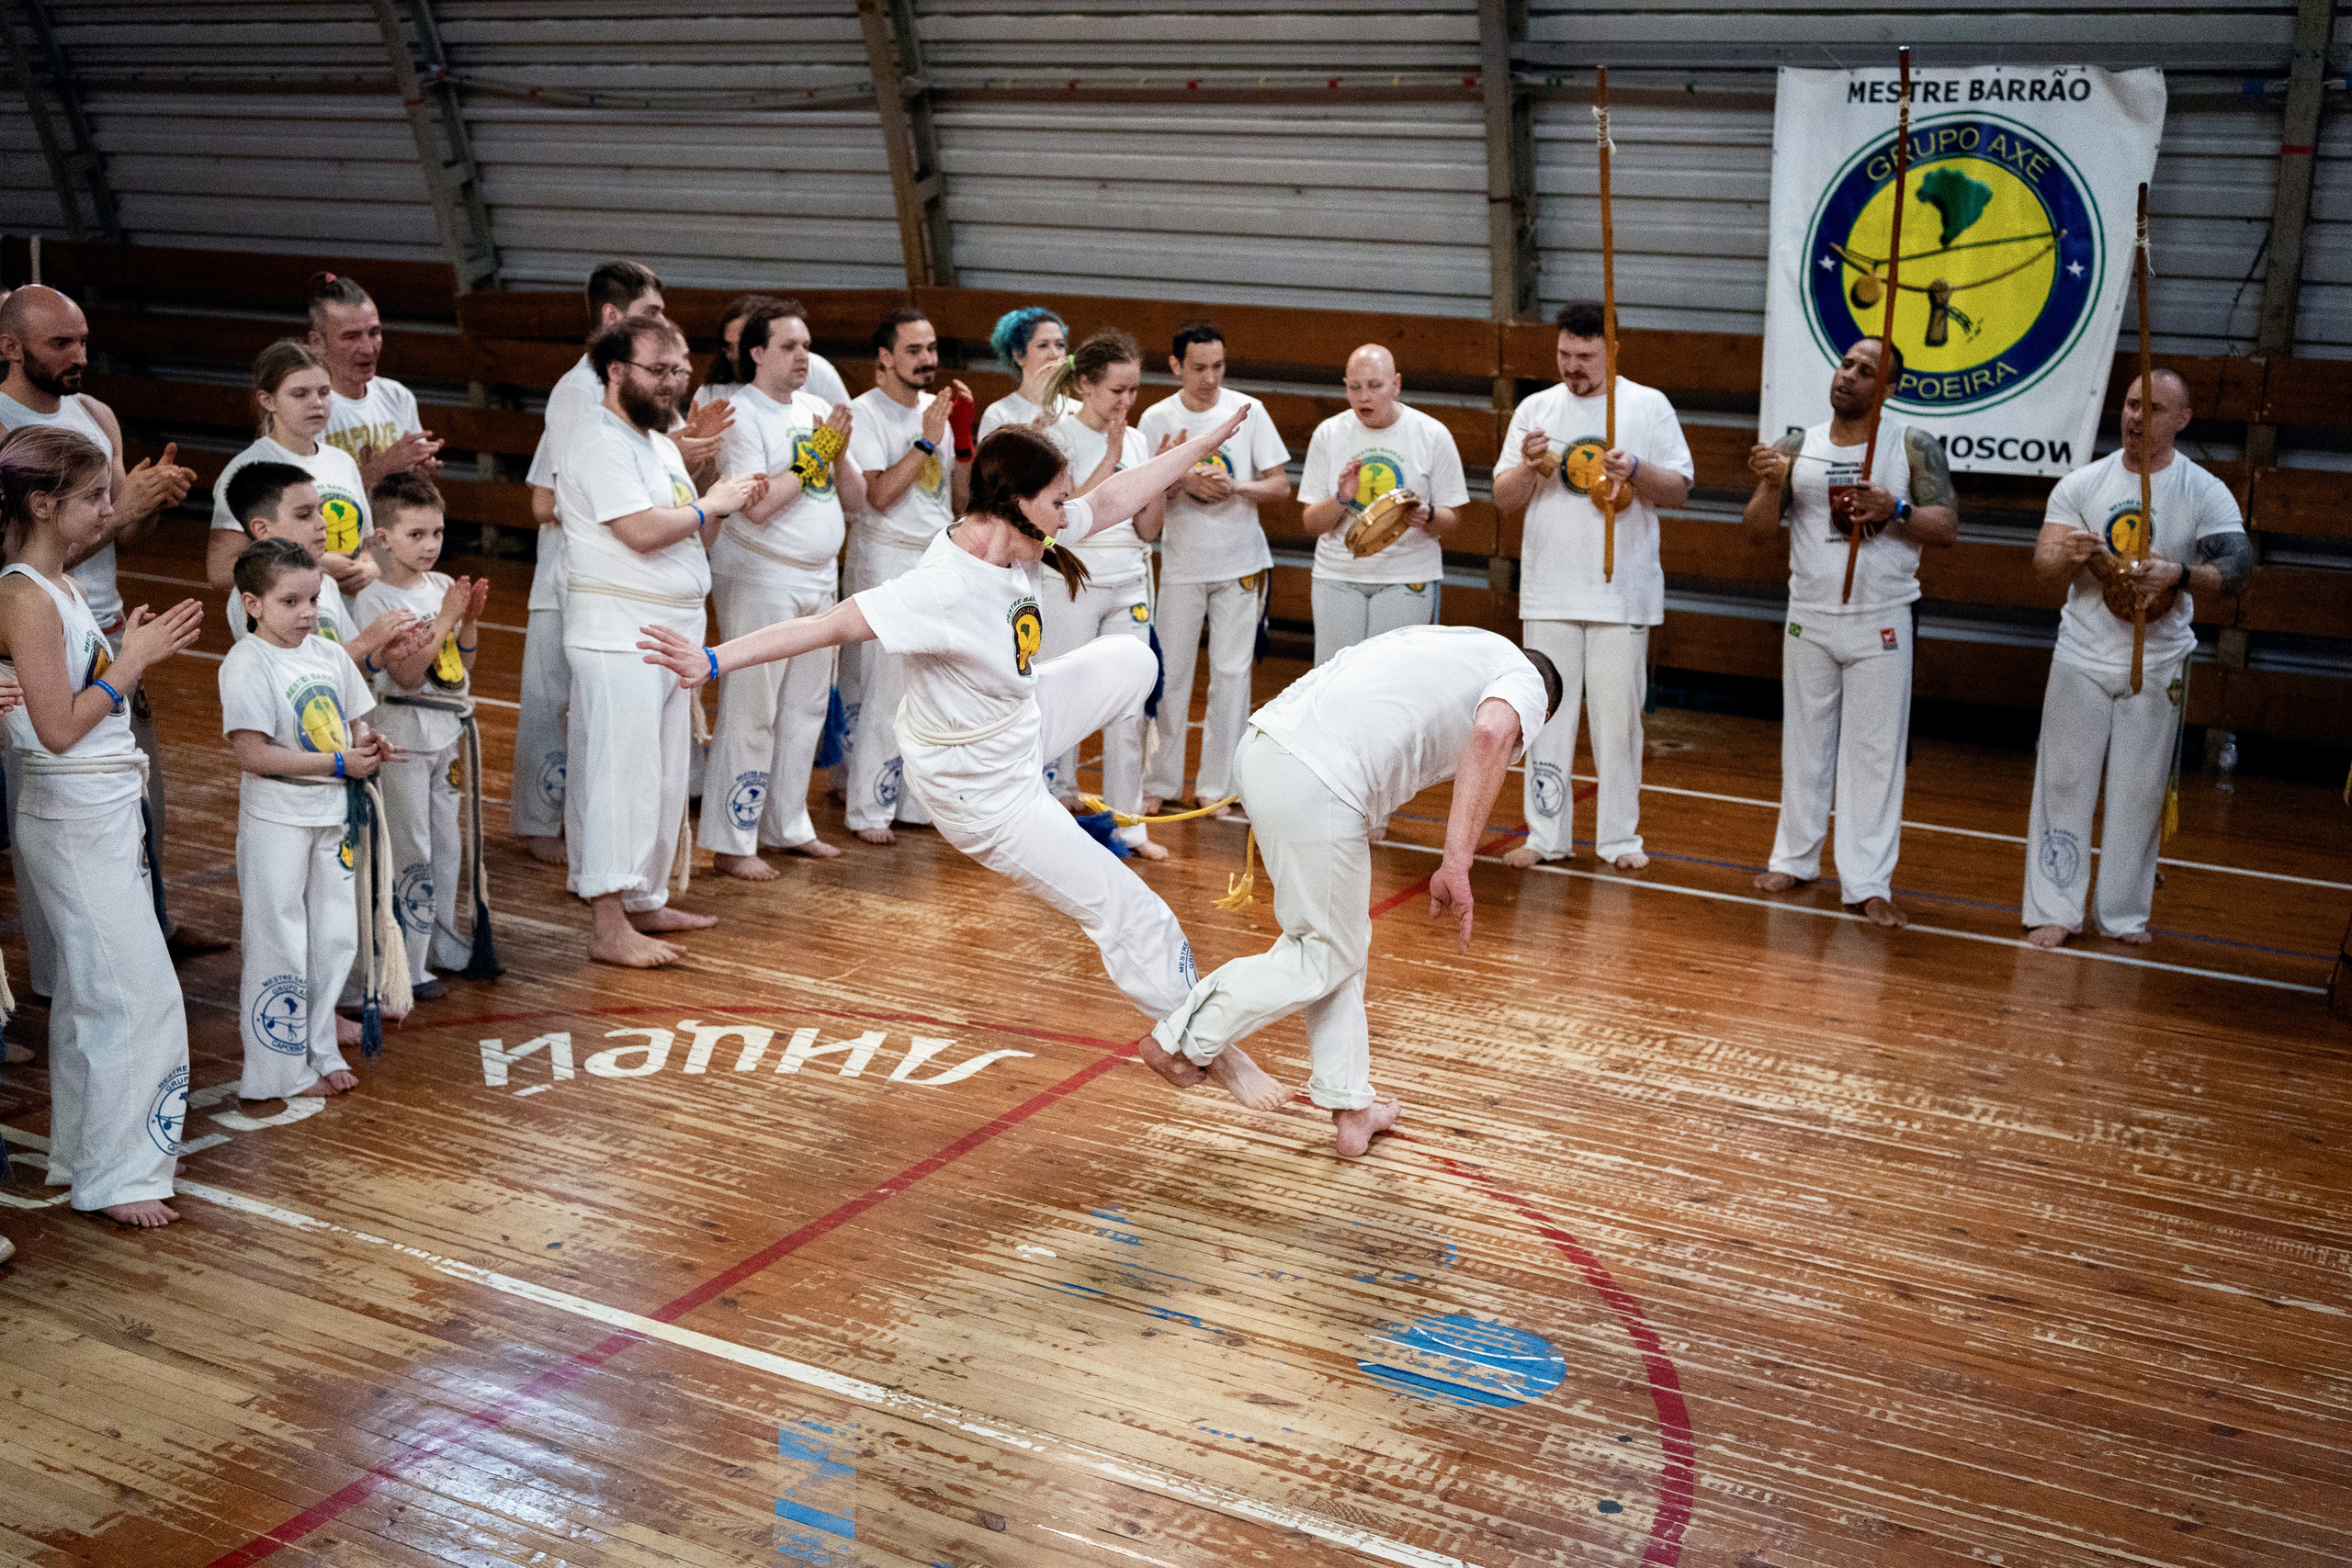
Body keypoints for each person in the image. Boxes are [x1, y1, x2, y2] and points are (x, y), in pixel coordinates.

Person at [640, 419, 1296, 1098]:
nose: (1069, 511)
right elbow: (823, 625)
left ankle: (1058, 774)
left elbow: (1113, 500)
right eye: (1057, 498)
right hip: (980, 790)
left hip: (1018, 724)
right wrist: (712, 659)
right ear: (1014, 501)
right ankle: (1208, 1049)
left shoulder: (1018, 535)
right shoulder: (940, 588)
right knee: (1134, 913)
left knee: (1133, 657)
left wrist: (1192, 447)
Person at [1140, 626, 1557, 1157]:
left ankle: (1351, 1105)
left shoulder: (1452, 643)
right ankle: (1184, 1040)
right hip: (1318, 778)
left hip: (1268, 749)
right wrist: (1457, 861)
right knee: (1324, 950)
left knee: (1337, 942)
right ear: (1541, 711)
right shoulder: (1525, 678)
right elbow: (1491, 735)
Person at [0, 425, 205, 1225]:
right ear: (44, 504)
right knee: (138, 996)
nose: (108, 508)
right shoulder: (24, 593)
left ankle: (85, 1155)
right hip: (72, 808)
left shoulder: (57, 585)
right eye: (93, 496)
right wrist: (132, 662)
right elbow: (56, 728)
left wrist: (117, 650)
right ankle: (120, 1175)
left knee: (94, 993)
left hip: (97, 808)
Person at [0, 285, 219, 972]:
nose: (78, 356)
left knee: (136, 790)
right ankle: (62, 969)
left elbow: (126, 530)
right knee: (55, 796)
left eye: (84, 340)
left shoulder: (96, 413)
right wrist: (121, 514)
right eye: (60, 343)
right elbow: (20, 560)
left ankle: (144, 925)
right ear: (11, 347)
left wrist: (150, 498)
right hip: (35, 630)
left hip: (105, 622)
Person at [558, 316, 764, 967]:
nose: (674, 382)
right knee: (622, 777)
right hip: (620, 630)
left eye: (680, 368)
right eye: (658, 369)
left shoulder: (661, 445)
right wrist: (714, 503)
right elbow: (643, 531)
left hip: (669, 627)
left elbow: (690, 535)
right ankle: (607, 921)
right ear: (616, 370)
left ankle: (645, 896)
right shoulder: (597, 438)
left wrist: (714, 500)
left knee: (666, 774)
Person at [2024, 370, 2251, 950]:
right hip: (2082, 652)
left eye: (2153, 408)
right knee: (2065, 781)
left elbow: (2238, 570)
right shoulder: (2083, 483)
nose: (2134, 416)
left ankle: (2123, 913)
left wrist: (2181, 573)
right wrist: (2068, 554)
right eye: (2129, 404)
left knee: (2139, 791)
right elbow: (2044, 566)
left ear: (2181, 421)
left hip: (2159, 659)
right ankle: (2055, 908)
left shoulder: (2203, 490)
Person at [1743, 338, 1958, 928]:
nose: (1851, 376)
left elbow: (1947, 528)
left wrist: (1899, 510)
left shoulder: (1910, 444)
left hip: (1881, 616)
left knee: (1874, 754)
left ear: (1888, 389)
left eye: (1868, 371)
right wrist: (1768, 484)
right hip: (1809, 613)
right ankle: (1795, 858)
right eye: (1846, 364)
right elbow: (1757, 530)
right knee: (1804, 746)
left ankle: (1866, 881)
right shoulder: (1797, 446)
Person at [512, 260, 712, 865]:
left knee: (618, 734)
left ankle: (610, 858)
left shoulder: (648, 399)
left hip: (640, 583)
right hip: (587, 574)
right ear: (612, 318)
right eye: (650, 315)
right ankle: (547, 825)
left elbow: (670, 495)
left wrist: (692, 458)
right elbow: (549, 498)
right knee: (561, 708)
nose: (664, 327)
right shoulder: (583, 393)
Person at [1490, 300, 1693, 873]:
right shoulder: (1537, 408)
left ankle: (1620, 840)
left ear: (1612, 350)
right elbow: (1503, 499)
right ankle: (1546, 834)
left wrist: (1638, 473)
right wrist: (1529, 467)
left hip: (1619, 591)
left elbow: (1679, 489)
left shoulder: (1647, 406)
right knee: (1545, 716)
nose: (1572, 366)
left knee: (1617, 721)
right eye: (1564, 354)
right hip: (1550, 589)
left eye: (1584, 355)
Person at [220, 536, 396, 1102]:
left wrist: (369, 746)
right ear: (253, 604)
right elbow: (252, 754)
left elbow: (355, 723)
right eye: (290, 602)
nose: (307, 613)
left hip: (333, 812)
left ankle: (320, 1046)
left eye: (314, 600)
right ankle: (275, 1070)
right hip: (278, 818)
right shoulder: (246, 662)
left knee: (336, 935)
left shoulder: (326, 652)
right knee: (278, 937)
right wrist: (339, 762)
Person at [703, 299, 864, 877]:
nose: (804, 356)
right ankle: (732, 842)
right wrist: (814, 458)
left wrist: (837, 456)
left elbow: (856, 499)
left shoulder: (818, 407)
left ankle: (787, 825)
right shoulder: (739, 414)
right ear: (757, 353)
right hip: (761, 575)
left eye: (806, 345)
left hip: (820, 576)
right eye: (790, 346)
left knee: (806, 708)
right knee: (753, 709)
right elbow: (760, 507)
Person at [1136, 318, 1291, 818]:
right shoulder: (1157, 419)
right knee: (1170, 674)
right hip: (1182, 564)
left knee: (1231, 675)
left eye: (1218, 366)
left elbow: (1279, 486)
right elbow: (1138, 493)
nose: (1210, 377)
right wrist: (1180, 481)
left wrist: (1232, 485)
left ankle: (1218, 784)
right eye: (1199, 367)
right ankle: (1159, 779)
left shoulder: (1249, 411)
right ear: (1176, 366)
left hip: (1241, 561)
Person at [840, 306, 972, 845]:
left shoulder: (935, 411)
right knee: (884, 689)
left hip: (935, 556)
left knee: (931, 687)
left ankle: (918, 802)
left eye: (932, 349)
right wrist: (925, 440)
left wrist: (961, 440)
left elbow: (959, 501)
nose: (927, 360)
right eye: (914, 350)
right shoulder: (863, 412)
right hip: (885, 558)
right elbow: (878, 495)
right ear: (885, 357)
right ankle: (867, 808)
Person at [354, 474, 488, 995]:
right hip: (401, 730)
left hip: (443, 730)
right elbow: (407, 676)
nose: (431, 544)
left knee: (446, 842)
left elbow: (459, 666)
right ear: (382, 538)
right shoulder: (372, 599)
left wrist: (468, 623)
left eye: (437, 532)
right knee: (411, 845)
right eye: (416, 534)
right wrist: (448, 618)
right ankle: (407, 965)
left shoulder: (439, 587)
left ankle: (442, 942)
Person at [1036, 329, 1166, 857]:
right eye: (1117, 390)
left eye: (1134, 390)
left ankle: (1129, 824)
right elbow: (1062, 519)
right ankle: (1052, 807)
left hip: (1127, 580)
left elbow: (1148, 530)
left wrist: (1160, 482)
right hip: (1070, 580)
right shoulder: (1055, 437)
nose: (1127, 402)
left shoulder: (1135, 440)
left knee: (1128, 703)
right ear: (1085, 384)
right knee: (1062, 697)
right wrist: (1110, 458)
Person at [1297, 344, 1468, 666]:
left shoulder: (1432, 434)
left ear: (1396, 385)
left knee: (1392, 680)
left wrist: (1426, 515)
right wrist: (1341, 498)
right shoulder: (1329, 434)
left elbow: (1453, 519)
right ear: (1345, 385)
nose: (1364, 397)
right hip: (1337, 576)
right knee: (1334, 681)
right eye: (1355, 387)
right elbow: (1310, 524)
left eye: (1375, 386)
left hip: (1406, 576)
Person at [207, 340, 379, 592]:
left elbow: (365, 544)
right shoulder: (247, 469)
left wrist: (369, 566)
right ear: (268, 400)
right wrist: (314, 564)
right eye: (300, 394)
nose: (317, 403)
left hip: (348, 619)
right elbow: (221, 571)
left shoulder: (342, 461)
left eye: (324, 392)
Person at [220, 461, 423, 668]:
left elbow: (345, 671)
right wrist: (365, 642)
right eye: (304, 515)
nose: (323, 522)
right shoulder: (255, 595)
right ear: (263, 529)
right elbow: (297, 670)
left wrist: (379, 658)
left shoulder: (326, 584)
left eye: (319, 511)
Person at [306, 272, 444, 488]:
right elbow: (309, 497)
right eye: (351, 337)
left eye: (374, 332)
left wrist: (420, 475)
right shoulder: (308, 408)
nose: (368, 349)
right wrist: (382, 468)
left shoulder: (397, 396)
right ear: (317, 342)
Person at [695, 292, 853, 413]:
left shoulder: (814, 376)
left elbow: (848, 434)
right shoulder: (713, 394)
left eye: (744, 343)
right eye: (729, 347)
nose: (736, 354)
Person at [976, 307, 1071, 441]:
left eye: (1060, 345)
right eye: (1043, 345)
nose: (1055, 355)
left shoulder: (1077, 410)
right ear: (1019, 355)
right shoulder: (998, 415)